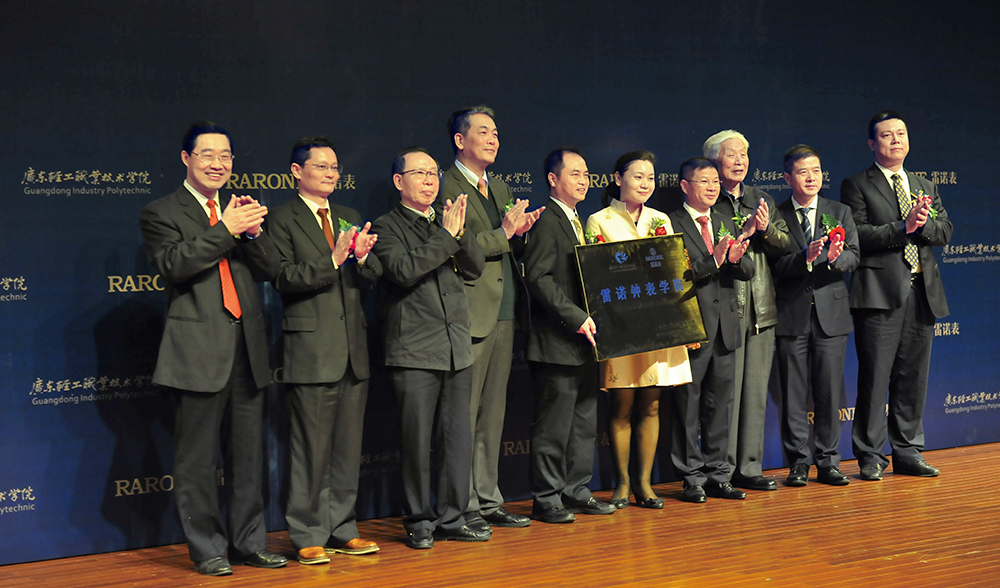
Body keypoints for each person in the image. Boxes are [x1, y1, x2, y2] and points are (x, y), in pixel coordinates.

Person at [139, 121, 286, 576]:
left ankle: (249, 543)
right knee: (198, 462)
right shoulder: (161, 212)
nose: (218, 164)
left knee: (248, 457)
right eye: (207, 155)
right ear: (187, 158)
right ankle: (207, 549)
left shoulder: (240, 211)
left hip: (247, 349)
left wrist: (253, 234)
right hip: (198, 352)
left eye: (226, 156)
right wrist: (226, 229)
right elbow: (173, 264)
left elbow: (271, 270)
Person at [267, 137, 381, 565]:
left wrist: (363, 259)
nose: (331, 174)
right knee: (310, 450)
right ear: (297, 171)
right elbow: (283, 277)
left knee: (347, 449)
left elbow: (374, 275)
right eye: (322, 166)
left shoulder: (348, 216)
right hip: (312, 350)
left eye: (335, 167)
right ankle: (307, 532)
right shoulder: (281, 219)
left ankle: (342, 528)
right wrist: (332, 260)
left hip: (353, 349)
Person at [371, 147, 487, 548]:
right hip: (414, 349)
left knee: (457, 439)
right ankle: (419, 520)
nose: (429, 180)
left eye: (433, 173)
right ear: (398, 181)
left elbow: (475, 267)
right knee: (416, 441)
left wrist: (460, 232)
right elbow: (403, 271)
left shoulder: (446, 219)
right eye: (419, 173)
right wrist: (446, 236)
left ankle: (453, 517)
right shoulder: (386, 226)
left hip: (456, 346)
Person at [437, 106, 541, 532]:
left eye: (496, 132)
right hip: (468, 312)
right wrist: (505, 233)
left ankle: (487, 498)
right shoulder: (444, 185)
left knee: (492, 414)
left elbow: (506, 245)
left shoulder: (498, 185)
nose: (493, 139)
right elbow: (460, 245)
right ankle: (459, 506)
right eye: (483, 132)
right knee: (463, 416)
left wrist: (522, 233)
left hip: (504, 310)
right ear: (460, 140)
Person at [841, 111, 952, 481]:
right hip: (878, 294)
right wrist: (902, 227)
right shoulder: (857, 184)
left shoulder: (924, 184)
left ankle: (907, 451)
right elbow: (857, 234)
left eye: (901, 133)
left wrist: (922, 224)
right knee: (875, 378)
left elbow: (944, 231)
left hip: (922, 292)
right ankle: (870, 455)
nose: (896, 140)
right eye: (887, 135)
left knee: (913, 378)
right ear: (872, 143)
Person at [584, 150, 691, 509]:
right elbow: (594, 276)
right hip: (621, 327)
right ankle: (622, 483)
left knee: (652, 405)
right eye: (637, 176)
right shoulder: (598, 220)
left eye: (650, 178)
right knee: (622, 405)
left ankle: (645, 484)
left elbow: (674, 272)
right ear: (618, 179)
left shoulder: (661, 219)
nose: (645, 184)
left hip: (657, 325)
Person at [523, 148, 616, 523]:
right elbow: (538, 278)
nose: (583, 181)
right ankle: (546, 497)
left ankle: (576, 490)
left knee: (582, 424)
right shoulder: (547, 221)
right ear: (553, 179)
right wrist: (576, 317)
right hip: (556, 341)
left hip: (584, 342)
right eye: (574, 173)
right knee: (554, 426)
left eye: (586, 174)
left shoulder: (578, 221)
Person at [703, 130, 790, 492]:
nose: (739, 161)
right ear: (714, 162)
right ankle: (720, 471)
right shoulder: (709, 201)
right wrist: (744, 233)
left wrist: (765, 230)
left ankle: (749, 467)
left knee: (754, 392)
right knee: (726, 395)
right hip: (726, 308)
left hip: (761, 308)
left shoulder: (760, 198)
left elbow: (786, 244)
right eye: (731, 154)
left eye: (743, 154)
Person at [666, 158, 754, 503]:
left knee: (721, 405)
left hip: (726, 327)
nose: (713, 187)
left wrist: (735, 258)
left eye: (715, 181)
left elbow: (747, 270)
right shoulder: (670, 223)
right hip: (691, 328)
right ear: (685, 186)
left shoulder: (724, 220)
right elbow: (673, 276)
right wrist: (714, 260)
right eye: (704, 181)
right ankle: (691, 477)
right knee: (687, 406)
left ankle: (719, 474)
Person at [771, 145, 859, 487]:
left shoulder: (839, 211)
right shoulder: (777, 215)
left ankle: (829, 461)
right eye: (803, 172)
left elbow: (854, 257)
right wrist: (804, 257)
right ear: (787, 177)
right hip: (791, 314)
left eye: (816, 171)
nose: (811, 177)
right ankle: (798, 463)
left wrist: (835, 258)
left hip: (830, 316)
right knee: (793, 394)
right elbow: (773, 266)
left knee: (828, 392)